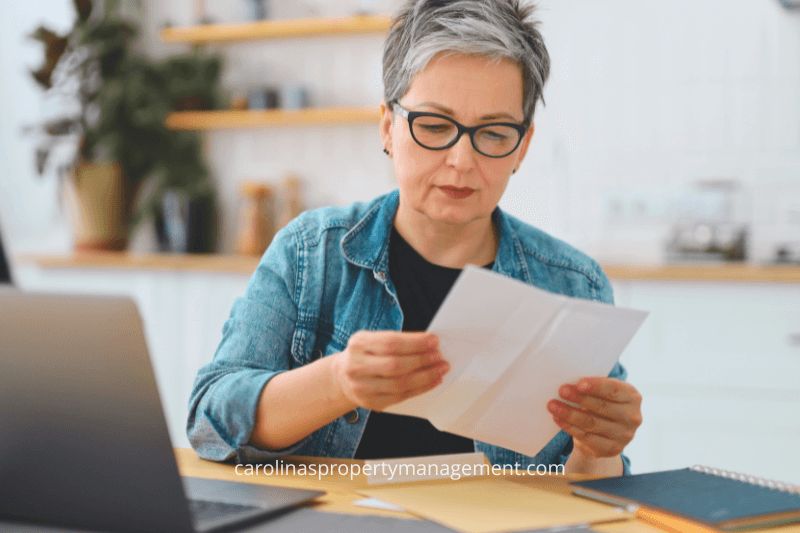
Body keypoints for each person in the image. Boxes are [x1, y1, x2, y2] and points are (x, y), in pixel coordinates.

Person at [188, 0, 642, 476]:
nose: (462, 161)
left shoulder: (574, 285)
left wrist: (600, 451)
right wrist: (338, 381)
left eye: (493, 133)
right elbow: (209, 418)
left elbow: (598, 492)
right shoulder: (311, 253)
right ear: (388, 127)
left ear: (522, 147)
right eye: (434, 126)